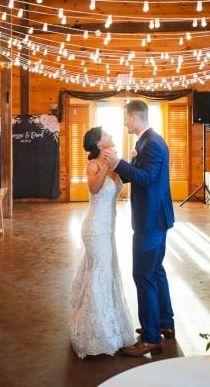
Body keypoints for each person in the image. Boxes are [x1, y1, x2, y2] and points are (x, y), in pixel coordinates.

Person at [103, 100, 174, 357]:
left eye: (125, 118)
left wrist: (119, 163)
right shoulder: (147, 141)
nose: (124, 123)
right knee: (156, 271)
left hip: (151, 219)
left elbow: (145, 179)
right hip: (155, 217)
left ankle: (152, 337)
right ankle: (165, 322)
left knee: (143, 275)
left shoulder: (152, 143)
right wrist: (130, 161)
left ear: (135, 117)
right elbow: (144, 173)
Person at [70, 126, 134, 358]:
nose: (111, 136)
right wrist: (106, 163)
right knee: (100, 273)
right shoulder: (94, 165)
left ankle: (109, 326)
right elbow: (94, 189)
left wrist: (127, 162)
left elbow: (125, 181)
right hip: (95, 229)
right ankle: (95, 332)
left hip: (109, 228)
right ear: (99, 144)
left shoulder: (113, 164)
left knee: (107, 273)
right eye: (107, 135)